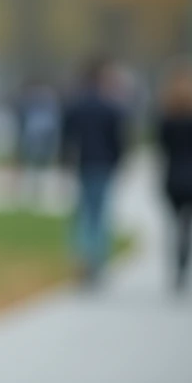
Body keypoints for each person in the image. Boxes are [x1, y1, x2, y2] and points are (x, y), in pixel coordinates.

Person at [61, 56, 127, 287]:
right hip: (104, 164)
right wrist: (119, 163)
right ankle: (97, 261)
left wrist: (64, 162)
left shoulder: (75, 105)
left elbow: (66, 137)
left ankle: (84, 257)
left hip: (83, 163)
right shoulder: (110, 107)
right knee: (100, 214)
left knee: (84, 214)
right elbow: (119, 141)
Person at [155, 58, 192, 293]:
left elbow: (162, 148)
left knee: (176, 224)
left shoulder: (166, 117)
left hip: (173, 176)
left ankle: (178, 262)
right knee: (191, 224)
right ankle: (186, 261)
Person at [14, 80, 61, 209]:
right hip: (33, 143)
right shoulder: (32, 110)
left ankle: (35, 193)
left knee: (38, 169)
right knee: (31, 169)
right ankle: (27, 193)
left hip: (40, 143)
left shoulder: (48, 111)